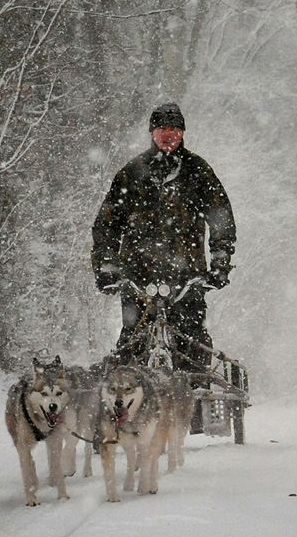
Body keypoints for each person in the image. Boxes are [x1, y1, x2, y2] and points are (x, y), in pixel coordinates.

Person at [91, 102, 236, 383]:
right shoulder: (132, 173)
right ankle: (127, 396)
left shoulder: (197, 171)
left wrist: (220, 262)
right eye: (162, 129)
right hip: (138, 275)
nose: (168, 135)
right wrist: (107, 266)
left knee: (192, 343)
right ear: (152, 132)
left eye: (174, 129)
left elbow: (221, 219)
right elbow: (107, 225)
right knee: (132, 343)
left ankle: (194, 395)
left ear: (182, 132)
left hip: (187, 276)